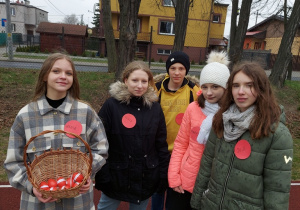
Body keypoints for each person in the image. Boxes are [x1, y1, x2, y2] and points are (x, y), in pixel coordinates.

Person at [4, 53, 109, 210]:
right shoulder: (25, 115)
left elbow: (101, 149)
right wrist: (30, 187)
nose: (63, 76)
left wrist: (86, 174)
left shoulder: (85, 113)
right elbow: (14, 161)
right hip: (37, 205)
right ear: (45, 75)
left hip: (78, 203)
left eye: (69, 73)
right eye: (56, 71)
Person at [190, 61, 293, 210]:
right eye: (236, 85)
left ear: (261, 89)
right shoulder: (221, 120)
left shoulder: (276, 134)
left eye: (249, 85)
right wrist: (197, 202)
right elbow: (206, 167)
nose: (241, 91)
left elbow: (277, 191)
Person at [95, 61, 170, 210]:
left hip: (144, 176)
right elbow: (99, 142)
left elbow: (161, 143)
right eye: (135, 80)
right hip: (116, 176)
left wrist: (162, 174)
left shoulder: (155, 108)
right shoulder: (111, 106)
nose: (139, 85)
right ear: (125, 80)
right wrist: (102, 174)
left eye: (144, 81)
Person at [167, 51, 230, 210]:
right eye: (205, 87)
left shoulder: (231, 114)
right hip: (186, 181)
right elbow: (181, 144)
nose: (209, 92)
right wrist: (174, 177)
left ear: (226, 88)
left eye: (215, 87)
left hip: (214, 184)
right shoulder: (193, 108)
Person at [152, 51, 200, 210]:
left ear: (187, 70)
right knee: (158, 188)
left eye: (181, 68)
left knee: (177, 190)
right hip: (159, 149)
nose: (177, 72)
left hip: (182, 151)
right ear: (168, 70)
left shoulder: (194, 91)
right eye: (173, 68)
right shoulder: (156, 89)